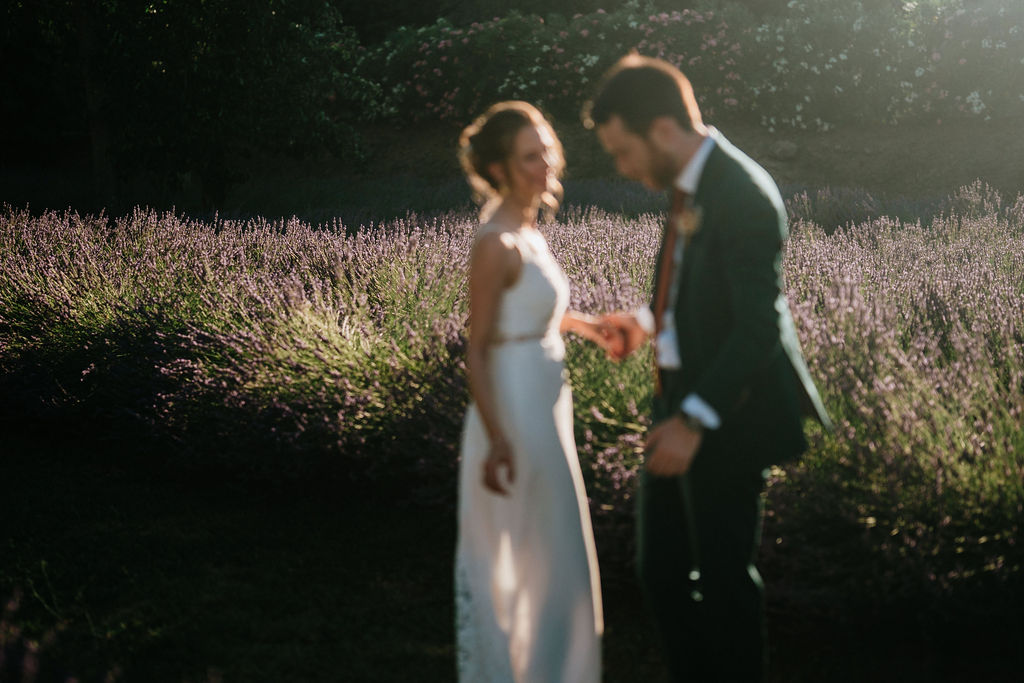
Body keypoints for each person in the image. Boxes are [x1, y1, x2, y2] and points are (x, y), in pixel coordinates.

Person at [584, 55, 833, 681]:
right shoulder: (690, 183)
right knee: (661, 573)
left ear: (662, 130)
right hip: (677, 406)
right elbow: (697, 292)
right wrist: (645, 322)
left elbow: (756, 328)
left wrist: (693, 420)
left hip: (728, 413)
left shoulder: (743, 194)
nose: (622, 167)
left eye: (623, 151)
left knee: (724, 582)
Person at [454, 100, 614, 682]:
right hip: (514, 406)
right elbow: (478, 346)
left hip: (546, 400)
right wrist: (498, 439)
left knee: (555, 545)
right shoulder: (495, 241)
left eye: (546, 148)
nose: (546, 163)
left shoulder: (528, 231)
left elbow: (533, 312)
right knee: (533, 547)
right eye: (529, 156)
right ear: (499, 169)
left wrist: (591, 327)